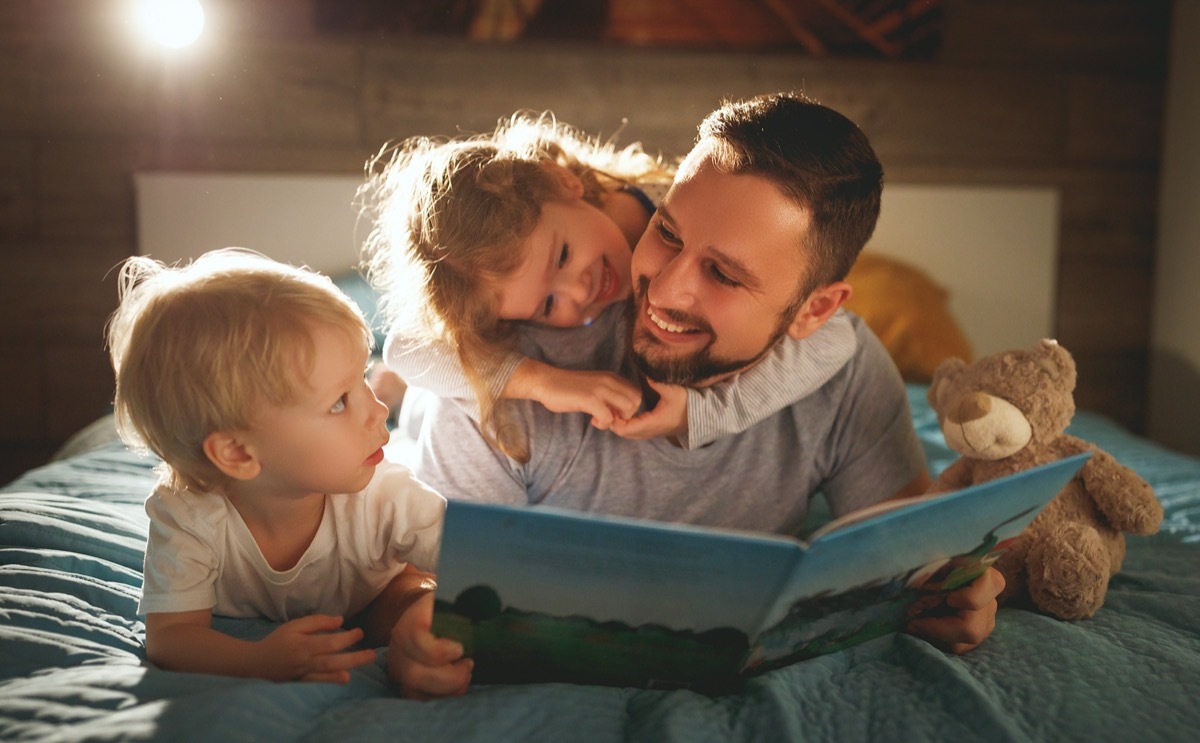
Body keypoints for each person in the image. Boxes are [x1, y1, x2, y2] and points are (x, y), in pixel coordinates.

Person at [385, 92, 1005, 700]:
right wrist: (414, 624)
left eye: (724, 274)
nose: (664, 292)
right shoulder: (490, 371)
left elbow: (907, 555)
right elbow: (426, 584)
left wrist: (951, 594)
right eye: (668, 234)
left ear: (815, 310)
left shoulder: (845, 372)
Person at [360, 111, 858, 456]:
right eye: (547, 305)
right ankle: (397, 392)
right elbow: (408, 345)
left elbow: (837, 337)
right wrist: (542, 382)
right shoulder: (540, 286)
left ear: (564, 183)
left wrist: (702, 414)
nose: (579, 293)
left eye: (563, 255)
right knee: (442, 388)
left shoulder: (687, 207)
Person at [106, 249, 448, 685]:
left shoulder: (385, 494)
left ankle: (416, 650)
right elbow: (171, 638)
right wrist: (257, 660)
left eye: (364, 379)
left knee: (415, 596)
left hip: (377, 596)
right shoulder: (189, 515)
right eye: (339, 401)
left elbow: (481, 562)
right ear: (238, 454)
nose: (377, 411)